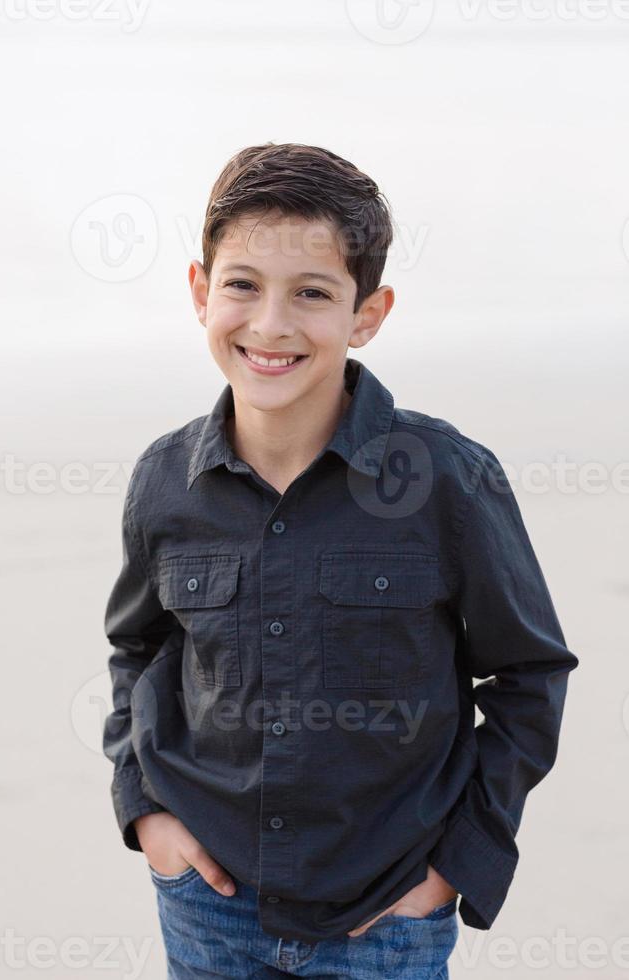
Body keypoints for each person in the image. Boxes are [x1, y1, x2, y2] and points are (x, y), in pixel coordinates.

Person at [102, 142, 579, 979]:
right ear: (199, 290)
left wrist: (455, 868)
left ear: (369, 313)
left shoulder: (447, 481)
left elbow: (530, 675)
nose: (271, 323)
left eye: (312, 293)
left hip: (385, 920)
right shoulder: (163, 482)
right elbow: (139, 650)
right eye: (242, 284)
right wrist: (147, 813)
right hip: (205, 908)